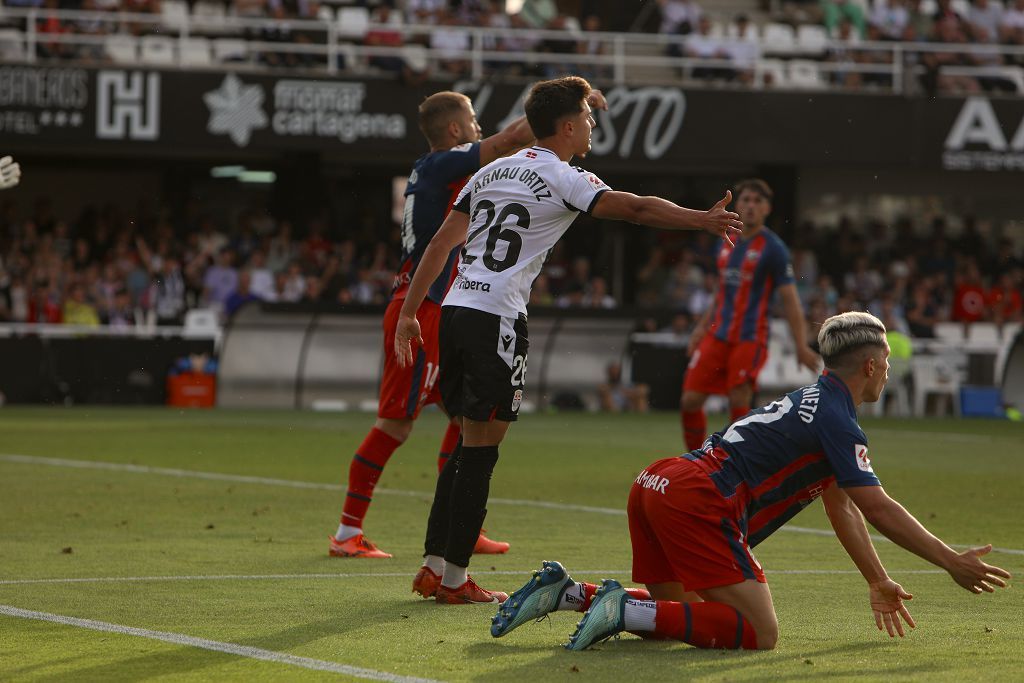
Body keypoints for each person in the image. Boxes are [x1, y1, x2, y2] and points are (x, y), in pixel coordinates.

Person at [394, 75, 742, 604]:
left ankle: (434, 565)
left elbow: (441, 243)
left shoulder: (488, 171)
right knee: (481, 452)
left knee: (466, 445)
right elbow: (636, 208)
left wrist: (410, 313)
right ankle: (456, 581)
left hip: (457, 311)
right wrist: (701, 219)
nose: (594, 126)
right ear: (569, 126)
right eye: (589, 118)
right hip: (497, 320)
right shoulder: (563, 176)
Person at [491, 311, 1012, 650]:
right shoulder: (838, 419)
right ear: (873, 366)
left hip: (656, 482)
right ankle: (622, 608)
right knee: (758, 634)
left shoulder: (811, 399)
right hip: (699, 500)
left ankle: (571, 594)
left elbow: (843, 508)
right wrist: (949, 561)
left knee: (686, 616)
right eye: (888, 366)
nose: (888, 374)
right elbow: (876, 507)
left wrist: (877, 580)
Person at [327, 88, 564, 559]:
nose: (479, 127)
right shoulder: (441, 162)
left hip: (442, 308)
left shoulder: (448, 173)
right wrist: (562, 107)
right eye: (473, 119)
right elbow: (510, 139)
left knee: (463, 421)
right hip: (422, 309)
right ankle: (346, 533)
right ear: (455, 130)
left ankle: (462, 529)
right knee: (395, 423)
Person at [680, 178, 819, 452]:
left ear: (767, 208)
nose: (751, 206)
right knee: (690, 400)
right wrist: (700, 329)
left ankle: (735, 467)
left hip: (750, 337)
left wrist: (801, 345)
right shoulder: (725, 239)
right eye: (746, 200)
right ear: (737, 205)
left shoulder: (774, 249)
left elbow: (790, 300)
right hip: (717, 334)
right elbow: (722, 290)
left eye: (758, 201)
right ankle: (696, 460)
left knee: (738, 398)